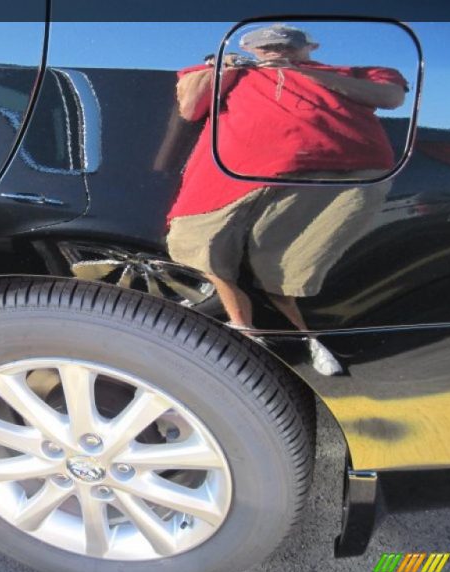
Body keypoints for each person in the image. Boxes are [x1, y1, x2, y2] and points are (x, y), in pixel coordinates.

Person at [166, 24, 408, 375]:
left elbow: (389, 96)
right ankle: (247, 332)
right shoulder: (232, 71)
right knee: (205, 246)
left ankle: (308, 338)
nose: (276, 52)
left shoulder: (352, 73)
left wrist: (301, 72)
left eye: (288, 45)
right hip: (229, 179)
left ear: (311, 45)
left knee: (287, 263)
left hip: (334, 179)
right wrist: (225, 68)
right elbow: (190, 107)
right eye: (264, 47)